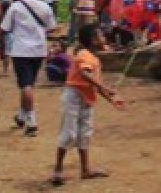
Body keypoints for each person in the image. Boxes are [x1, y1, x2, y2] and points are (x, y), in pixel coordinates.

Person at [50, 24, 123, 186]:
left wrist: (111, 99)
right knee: (69, 133)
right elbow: (84, 74)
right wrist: (104, 88)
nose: (103, 38)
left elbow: (95, 84)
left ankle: (85, 169)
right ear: (92, 40)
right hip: (74, 96)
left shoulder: (94, 58)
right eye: (100, 35)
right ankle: (58, 169)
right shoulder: (84, 54)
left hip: (85, 98)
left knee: (85, 133)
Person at [1, 0, 59, 137]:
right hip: (39, 50)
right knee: (28, 84)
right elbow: (52, 28)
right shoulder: (45, 6)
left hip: (21, 50)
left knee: (25, 85)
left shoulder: (16, 6)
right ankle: (21, 116)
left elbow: (6, 27)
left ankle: (32, 122)